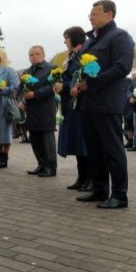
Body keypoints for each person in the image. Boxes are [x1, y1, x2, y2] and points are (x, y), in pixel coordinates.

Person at [73, 0, 134, 209]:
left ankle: (119, 195)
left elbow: (122, 67)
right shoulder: (91, 41)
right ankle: (99, 190)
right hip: (88, 104)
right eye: (90, 15)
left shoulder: (120, 37)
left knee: (113, 149)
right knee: (94, 149)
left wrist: (91, 84)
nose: (91, 18)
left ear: (109, 14)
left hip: (107, 104)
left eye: (95, 14)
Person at [53, 27, 91, 191]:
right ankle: (81, 177)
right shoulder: (70, 56)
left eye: (66, 38)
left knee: (84, 143)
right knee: (76, 142)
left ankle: (90, 178)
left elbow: (84, 79)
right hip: (70, 104)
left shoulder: (84, 55)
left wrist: (65, 85)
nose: (64, 41)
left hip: (80, 104)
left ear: (75, 38)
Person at [20, 45, 57, 177]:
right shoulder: (26, 72)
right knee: (34, 139)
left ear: (43, 55)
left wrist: (35, 94)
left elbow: (53, 87)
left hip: (45, 109)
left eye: (36, 54)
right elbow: (22, 89)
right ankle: (41, 165)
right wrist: (21, 100)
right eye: (31, 55)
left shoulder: (51, 69)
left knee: (47, 140)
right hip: (31, 110)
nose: (33, 57)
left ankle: (51, 167)